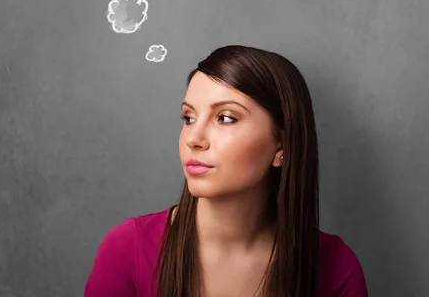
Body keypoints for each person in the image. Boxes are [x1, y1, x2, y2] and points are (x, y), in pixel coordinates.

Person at [84, 45, 369, 296]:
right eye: (189, 117)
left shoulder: (335, 268)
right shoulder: (128, 250)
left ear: (281, 146)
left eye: (226, 118)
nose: (194, 139)